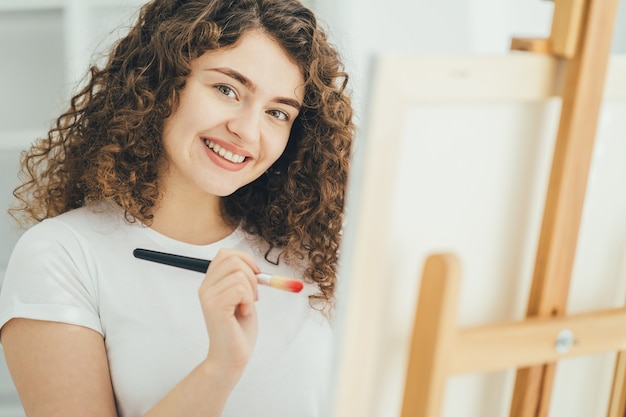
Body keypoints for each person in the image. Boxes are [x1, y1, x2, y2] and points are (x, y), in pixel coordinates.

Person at [0, 0, 354, 415]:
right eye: (227, 89)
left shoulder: (315, 255)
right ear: (160, 82)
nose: (247, 130)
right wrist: (219, 368)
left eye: (277, 112)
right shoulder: (63, 254)